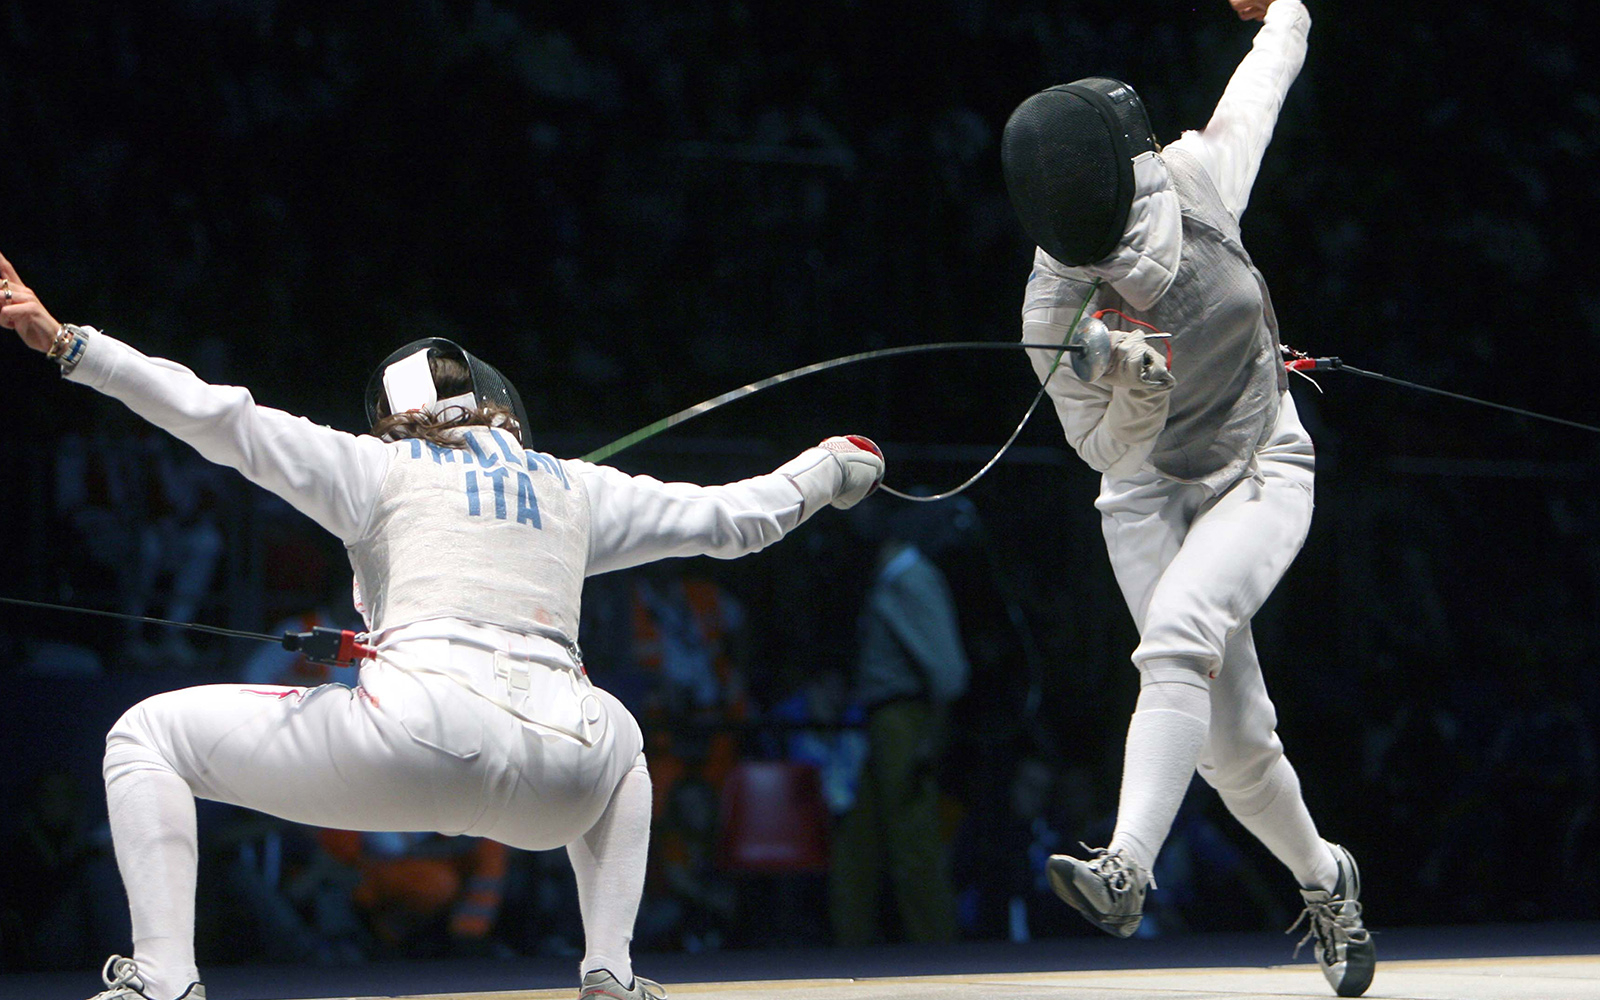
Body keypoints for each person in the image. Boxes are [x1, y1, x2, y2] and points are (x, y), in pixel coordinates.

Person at [0, 250, 884, 1000]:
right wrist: (830, 469)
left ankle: (163, 979)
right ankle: (610, 970)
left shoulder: (372, 470)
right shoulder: (576, 487)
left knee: (145, 736)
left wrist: (69, 344)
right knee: (622, 743)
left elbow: (219, 418)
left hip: (409, 743)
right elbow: (736, 519)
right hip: (561, 773)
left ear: (391, 418)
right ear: (498, 402)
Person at [1000, 1, 1374, 996]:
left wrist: (1290, 8)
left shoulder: (1197, 177)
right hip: (1143, 494)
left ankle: (1126, 866)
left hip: (1258, 462)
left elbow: (1265, 80)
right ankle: (1324, 875)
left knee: (1176, 633)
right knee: (1233, 745)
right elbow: (1099, 447)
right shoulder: (1051, 310)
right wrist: (1131, 386)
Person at [828, 503, 971, 946]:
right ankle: (848, 947)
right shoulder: (895, 577)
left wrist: (931, 733)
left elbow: (948, 671)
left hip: (903, 719)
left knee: (913, 841)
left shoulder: (912, 578)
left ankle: (936, 949)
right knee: (860, 842)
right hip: (884, 720)